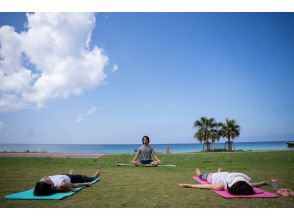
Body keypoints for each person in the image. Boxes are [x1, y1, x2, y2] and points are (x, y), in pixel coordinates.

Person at [178, 167, 269, 195]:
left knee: (207, 176)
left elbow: (205, 186)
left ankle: (217, 172)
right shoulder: (244, 183)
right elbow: (253, 184)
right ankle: (199, 173)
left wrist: (189, 185)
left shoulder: (223, 185)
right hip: (218, 175)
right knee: (202, 176)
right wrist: (262, 183)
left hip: (217, 176)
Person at [34, 169, 101, 196]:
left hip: (62, 176)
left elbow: (43, 179)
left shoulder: (42, 183)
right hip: (71, 179)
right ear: (49, 185)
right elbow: (73, 185)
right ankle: (94, 177)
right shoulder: (61, 184)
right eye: (47, 180)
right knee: (86, 179)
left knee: (66, 176)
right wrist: (85, 184)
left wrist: (44, 179)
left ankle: (70, 174)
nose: (45, 178)